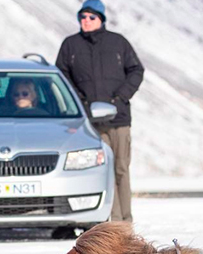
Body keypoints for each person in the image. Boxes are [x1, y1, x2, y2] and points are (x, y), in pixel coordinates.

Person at [56, 0, 144, 222]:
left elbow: (136, 70)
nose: (86, 21)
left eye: (91, 17)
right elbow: (62, 77)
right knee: (103, 171)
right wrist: (81, 103)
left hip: (119, 119)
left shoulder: (118, 42)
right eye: (82, 17)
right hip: (89, 123)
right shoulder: (70, 45)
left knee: (121, 169)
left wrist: (120, 97)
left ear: (101, 19)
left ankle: (126, 222)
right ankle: (112, 224)